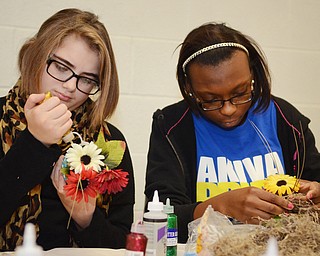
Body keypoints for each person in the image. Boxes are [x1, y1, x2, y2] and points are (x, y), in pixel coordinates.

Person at [144, 22, 320, 243]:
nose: (229, 109)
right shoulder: (171, 127)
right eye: (210, 100)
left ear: (253, 76)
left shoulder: (285, 119)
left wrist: (315, 193)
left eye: (240, 93)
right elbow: (159, 218)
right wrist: (220, 206)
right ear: (189, 87)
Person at [0, 8, 135, 250]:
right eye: (61, 67)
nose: (71, 86)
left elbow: (121, 245)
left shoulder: (110, 142)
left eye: (86, 79)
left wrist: (87, 220)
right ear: (35, 55)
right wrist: (34, 142)